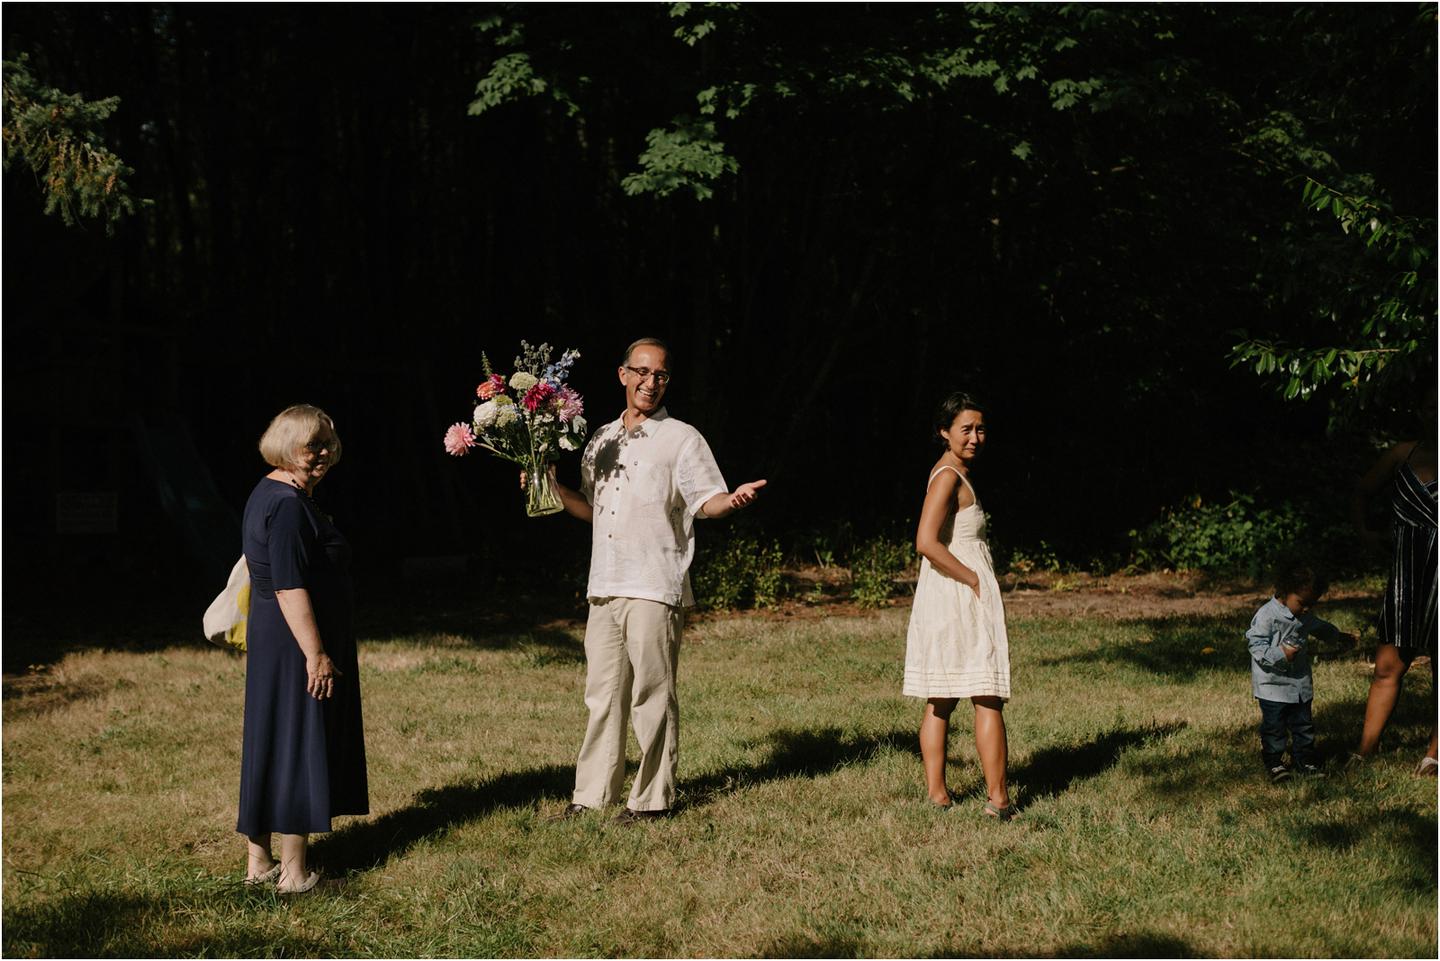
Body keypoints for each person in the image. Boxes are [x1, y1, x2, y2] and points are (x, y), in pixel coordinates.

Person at [536, 338, 766, 822]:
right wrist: (550, 488)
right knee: (602, 696)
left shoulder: (682, 438)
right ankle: (592, 795)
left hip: (654, 584)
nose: (650, 382)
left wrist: (733, 500)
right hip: (605, 584)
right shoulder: (600, 438)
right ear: (622, 375)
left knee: (652, 696)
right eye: (642, 372)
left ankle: (652, 800)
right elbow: (590, 509)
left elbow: (708, 500)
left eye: (660, 375)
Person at [237, 404, 368, 892]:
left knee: (272, 738)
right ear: (286, 447)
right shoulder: (289, 504)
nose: (323, 453)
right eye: (312, 445)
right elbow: (291, 586)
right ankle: (293, 873)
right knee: (297, 743)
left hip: (275, 637)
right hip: (295, 640)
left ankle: (259, 861)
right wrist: (316, 654)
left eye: (328, 444)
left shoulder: (270, 493)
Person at [903, 392, 1014, 820]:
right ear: (944, 432)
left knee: (943, 697)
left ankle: (938, 795)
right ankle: (999, 800)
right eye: (965, 429)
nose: (974, 437)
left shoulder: (952, 472)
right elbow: (925, 541)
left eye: (980, 428)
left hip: (946, 591)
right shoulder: (949, 475)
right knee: (986, 694)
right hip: (958, 592)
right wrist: (972, 579)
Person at [1352, 431, 1438, 775]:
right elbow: (1361, 491)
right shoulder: (1404, 452)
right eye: (1430, 405)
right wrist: (1366, 533)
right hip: (1408, 578)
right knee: (1387, 666)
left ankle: (1434, 755)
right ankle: (1365, 750)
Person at [1246, 562, 1355, 782]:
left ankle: (1305, 760)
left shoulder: (1304, 616)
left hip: (1299, 684)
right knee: (1275, 727)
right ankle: (1274, 762)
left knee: (1303, 725)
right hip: (1272, 686)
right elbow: (1255, 644)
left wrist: (1338, 636)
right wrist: (1280, 654)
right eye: (1303, 603)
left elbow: (1319, 627)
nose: (1306, 610)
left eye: (1311, 605)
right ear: (1285, 592)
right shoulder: (1267, 615)